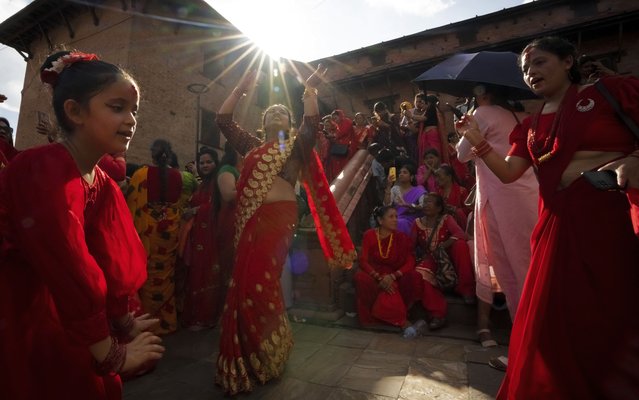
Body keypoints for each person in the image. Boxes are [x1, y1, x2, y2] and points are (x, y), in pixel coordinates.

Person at [455, 36, 639, 399]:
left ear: (568, 60)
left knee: (612, 313)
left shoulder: (612, 92)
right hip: (557, 225)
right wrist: (477, 140)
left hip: (608, 221)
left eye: (539, 62)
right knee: (553, 322)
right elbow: (508, 172)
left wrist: (636, 158)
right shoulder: (531, 125)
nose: (531, 72)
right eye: (525, 69)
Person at [0, 50, 164, 400]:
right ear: (74, 111)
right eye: (117, 107)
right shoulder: (43, 167)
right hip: (16, 301)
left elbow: (111, 254)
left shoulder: (100, 181)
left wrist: (122, 318)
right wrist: (110, 352)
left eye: (134, 110)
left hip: (56, 299)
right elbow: (66, 260)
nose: (132, 119)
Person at [214, 66, 356, 395]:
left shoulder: (294, 147)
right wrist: (241, 88)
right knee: (244, 285)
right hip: (249, 222)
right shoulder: (251, 147)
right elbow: (222, 121)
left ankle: (265, 356)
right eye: (271, 111)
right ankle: (248, 358)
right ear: (262, 123)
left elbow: (310, 124)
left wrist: (308, 92)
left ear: (288, 123)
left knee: (259, 282)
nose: (277, 112)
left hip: (278, 219)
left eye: (282, 111)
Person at [456, 84, 538, 347]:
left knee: (507, 266)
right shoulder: (522, 116)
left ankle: (525, 340)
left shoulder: (482, 113)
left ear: (482, 92)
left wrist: (467, 131)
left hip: (501, 197)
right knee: (529, 265)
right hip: (529, 195)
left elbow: (461, 154)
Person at [127, 139, 184, 335]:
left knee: (148, 275)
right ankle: (167, 322)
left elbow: (132, 201)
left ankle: (149, 322)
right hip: (169, 232)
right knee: (167, 275)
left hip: (148, 232)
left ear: (152, 154)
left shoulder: (141, 174)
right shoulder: (179, 176)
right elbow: (179, 204)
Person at [354, 206, 420, 331]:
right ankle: (393, 319)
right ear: (380, 220)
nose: (395, 220)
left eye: (396, 216)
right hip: (374, 273)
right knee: (360, 277)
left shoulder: (401, 237)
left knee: (413, 277)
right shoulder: (369, 235)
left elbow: (410, 261)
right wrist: (378, 277)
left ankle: (396, 317)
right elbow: (363, 260)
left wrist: (393, 276)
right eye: (391, 217)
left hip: (393, 273)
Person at [180, 146, 221, 330]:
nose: (205, 165)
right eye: (202, 162)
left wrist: (195, 210)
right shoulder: (203, 183)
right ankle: (197, 316)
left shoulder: (218, 182)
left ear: (216, 163)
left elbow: (218, 207)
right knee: (195, 272)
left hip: (211, 237)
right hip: (198, 236)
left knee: (206, 273)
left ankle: (206, 318)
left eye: (209, 162)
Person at [214, 141, 242, 295]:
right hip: (230, 223)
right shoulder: (227, 169)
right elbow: (228, 194)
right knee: (230, 265)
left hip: (240, 222)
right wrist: (256, 191)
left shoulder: (240, 169)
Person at [406, 93, 449, 165]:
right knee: (428, 154)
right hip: (427, 135)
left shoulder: (432, 109)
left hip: (431, 134)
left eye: (422, 103)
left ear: (428, 103)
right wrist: (409, 118)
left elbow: (423, 118)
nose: (421, 105)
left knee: (433, 152)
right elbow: (415, 129)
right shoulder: (427, 111)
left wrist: (411, 116)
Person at [384, 164, 427, 235]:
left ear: (412, 177)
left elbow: (423, 206)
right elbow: (386, 204)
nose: (401, 174)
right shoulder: (395, 189)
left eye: (405, 172)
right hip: (396, 216)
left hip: (412, 219)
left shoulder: (419, 190)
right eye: (400, 173)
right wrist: (389, 186)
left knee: (401, 222)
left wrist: (408, 205)